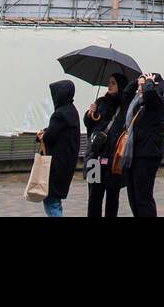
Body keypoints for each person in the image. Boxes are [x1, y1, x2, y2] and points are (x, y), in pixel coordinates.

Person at [119, 71, 164, 218]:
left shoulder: (157, 102)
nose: (140, 88)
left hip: (147, 155)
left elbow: (150, 95)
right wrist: (137, 81)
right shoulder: (136, 104)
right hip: (133, 154)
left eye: (143, 85)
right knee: (133, 197)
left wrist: (149, 84)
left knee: (143, 198)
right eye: (140, 85)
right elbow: (125, 96)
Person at [82, 72, 127, 218]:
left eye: (113, 83)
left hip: (113, 160)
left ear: (120, 86)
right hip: (95, 157)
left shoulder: (124, 107)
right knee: (94, 197)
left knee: (112, 198)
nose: (109, 85)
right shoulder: (101, 102)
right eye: (109, 82)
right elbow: (91, 127)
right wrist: (89, 114)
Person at [36, 79, 80, 217]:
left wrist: (42, 135)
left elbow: (49, 137)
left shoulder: (59, 114)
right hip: (66, 164)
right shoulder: (72, 111)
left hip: (56, 165)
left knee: (51, 201)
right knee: (55, 200)